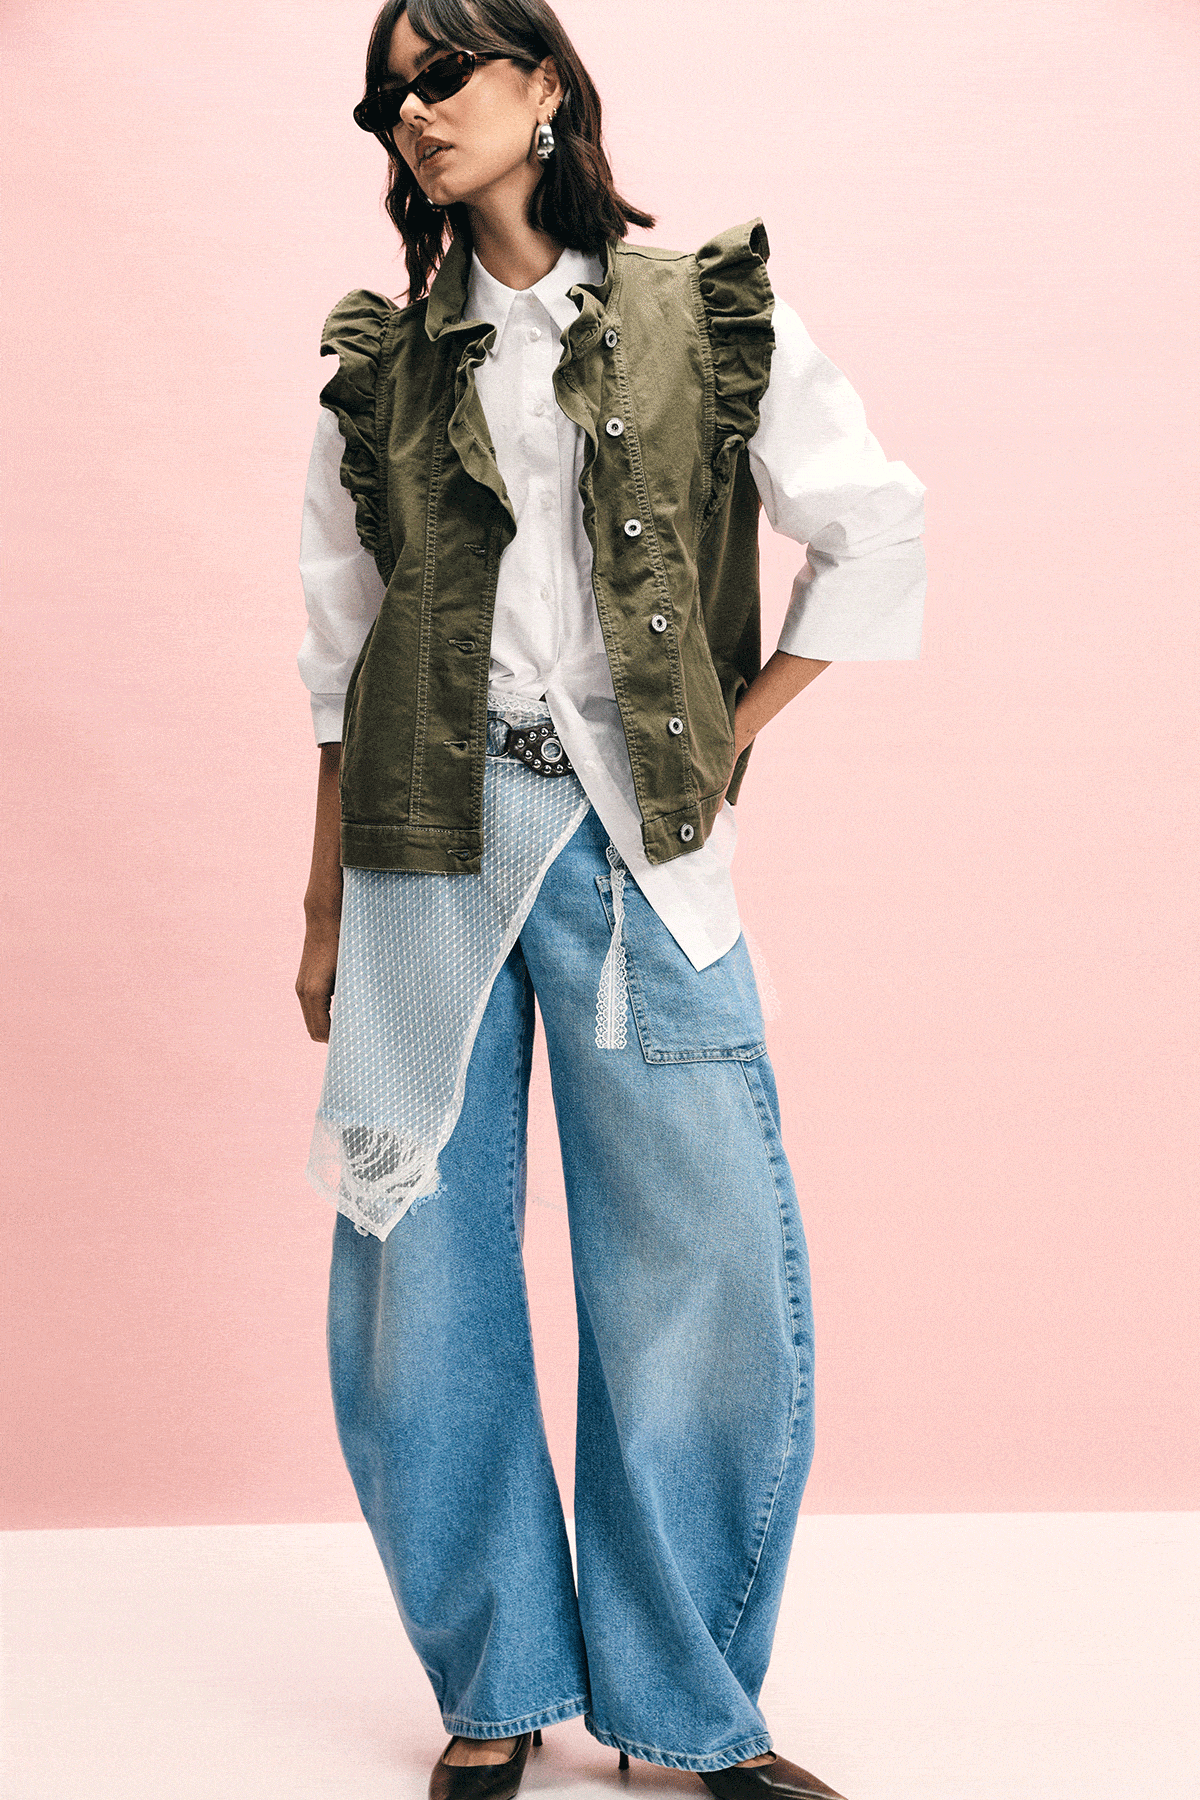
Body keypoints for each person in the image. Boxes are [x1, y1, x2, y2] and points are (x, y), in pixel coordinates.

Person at [295, 3, 926, 1798]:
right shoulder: (383, 361)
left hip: (638, 847)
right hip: (423, 844)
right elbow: (338, 656)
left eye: (446, 75)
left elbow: (873, 520)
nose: (413, 115)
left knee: (701, 1271)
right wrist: (322, 907)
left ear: (544, 86)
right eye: (387, 95)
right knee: (420, 1278)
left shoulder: (699, 315)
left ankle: (688, 1710)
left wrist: (735, 724)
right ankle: (492, 1676)